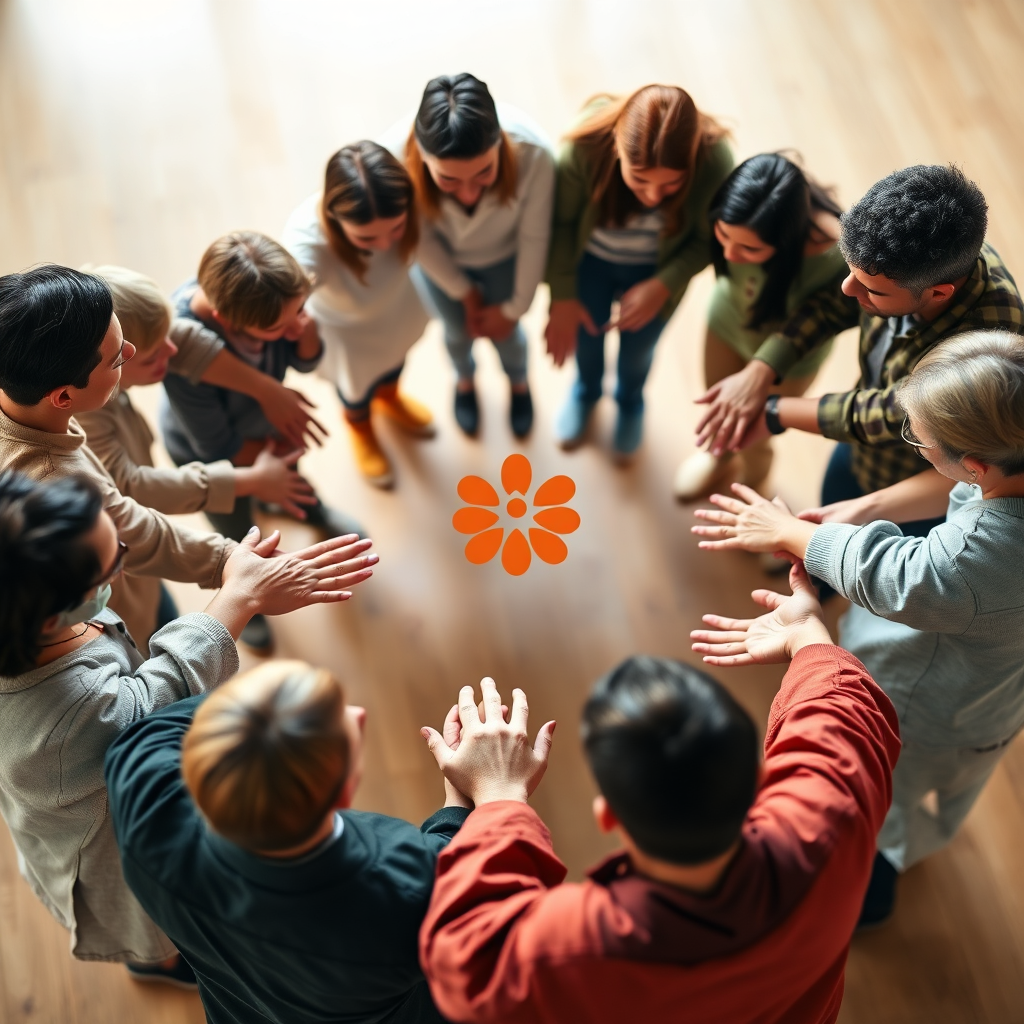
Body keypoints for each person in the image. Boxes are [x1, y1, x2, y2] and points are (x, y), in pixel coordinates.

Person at [418, 562, 899, 1024]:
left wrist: (499, 799)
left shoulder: (573, 949)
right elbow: (844, 708)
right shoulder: (830, 820)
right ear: (759, 779)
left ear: (608, 818)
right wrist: (806, 631)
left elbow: (466, 959)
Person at [692, 328, 1024, 926]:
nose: (914, 444)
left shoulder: (980, 556)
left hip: (921, 706)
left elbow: (899, 575)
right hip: (986, 695)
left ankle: (864, 896)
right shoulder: (1007, 472)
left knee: (869, 801)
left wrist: (792, 532)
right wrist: (861, 512)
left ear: (973, 465)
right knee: (934, 786)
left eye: (918, 440)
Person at [0, 468, 375, 986]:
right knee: (152, 918)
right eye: (113, 564)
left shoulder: (20, 614)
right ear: (48, 617)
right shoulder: (68, 718)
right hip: (104, 845)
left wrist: (233, 577)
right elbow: (153, 696)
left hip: (87, 794)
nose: (124, 563)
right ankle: (158, 960)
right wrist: (238, 599)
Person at [105, 660, 472, 1023]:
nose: (357, 713)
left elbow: (153, 733)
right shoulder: (408, 889)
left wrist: (268, 705)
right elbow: (465, 869)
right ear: (344, 794)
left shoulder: (147, 815)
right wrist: (469, 795)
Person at [692, 164, 1023, 554]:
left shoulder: (987, 346)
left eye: (869, 290)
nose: (848, 291)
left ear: (938, 294)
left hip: (913, 475)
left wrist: (773, 411)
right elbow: (831, 306)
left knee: (857, 555)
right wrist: (764, 367)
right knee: (829, 511)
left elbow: (891, 413)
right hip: (859, 447)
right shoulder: (924, 259)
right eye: (849, 273)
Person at [76, 265, 320, 647]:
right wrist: (252, 481)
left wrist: (267, 391)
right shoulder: (86, 416)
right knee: (225, 530)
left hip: (148, 547)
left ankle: (288, 514)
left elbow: (186, 340)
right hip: (122, 564)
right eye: (156, 353)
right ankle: (242, 601)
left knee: (160, 598)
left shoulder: (104, 361)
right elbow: (129, 487)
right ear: (116, 360)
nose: (173, 353)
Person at [0, 264, 240, 646]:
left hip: (135, 581)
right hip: (118, 616)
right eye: (117, 360)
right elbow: (138, 531)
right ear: (64, 397)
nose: (129, 351)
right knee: (157, 633)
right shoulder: (55, 479)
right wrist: (233, 561)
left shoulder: (23, 387)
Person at [162, 231, 364, 651]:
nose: (295, 325)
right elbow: (214, 448)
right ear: (224, 319)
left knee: (292, 480)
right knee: (235, 527)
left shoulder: (271, 305)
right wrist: (271, 457)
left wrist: (305, 335)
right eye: (279, 326)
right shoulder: (185, 356)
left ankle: (313, 511)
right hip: (211, 454)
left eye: (302, 310)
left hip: (262, 427)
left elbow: (303, 359)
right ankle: (244, 597)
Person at [545, 84, 733, 457]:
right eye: (639, 179)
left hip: (656, 272)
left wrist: (665, 284)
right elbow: (561, 225)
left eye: (671, 184)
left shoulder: (715, 161)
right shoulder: (583, 146)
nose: (652, 196)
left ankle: (630, 401)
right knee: (587, 337)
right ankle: (586, 390)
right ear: (616, 146)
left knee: (638, 352)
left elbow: (709, 239)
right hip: (591, 264)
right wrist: (562, 296)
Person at [384, 73, 554, 438]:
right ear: (421, 156)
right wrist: (464, 290)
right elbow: (418, 237)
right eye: (448, 180)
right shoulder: (393, 161)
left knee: (508, 333)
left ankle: (519, 383)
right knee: (456, 330)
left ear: (500, 145)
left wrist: (513, 309)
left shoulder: (535, 154)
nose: (468, 195)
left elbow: (535, 236)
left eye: (484, 174)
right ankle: (464, 380)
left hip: (506, 257)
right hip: (437, 262)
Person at [673, 153, 846, 499]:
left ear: (787, 240)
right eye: (722, 235)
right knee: (720, 410)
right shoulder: (741, 209)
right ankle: (719, 461)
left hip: (792, 360)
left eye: (750, 248)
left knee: (754, 434)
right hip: (725, 324)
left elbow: (833, 312)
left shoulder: (833, 253)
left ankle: (756, 485)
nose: (730, 255)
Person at [283, 141, 432, 488]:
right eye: (367, 237)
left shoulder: (402, 199)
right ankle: (361, 428)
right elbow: (288, 290)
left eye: (396, 230)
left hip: (396, 309)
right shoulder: (306, 241)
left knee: (397, 360)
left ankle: (391, 398)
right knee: (355, 391)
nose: (384, 245)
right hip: (345, 335)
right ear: (334, 219)